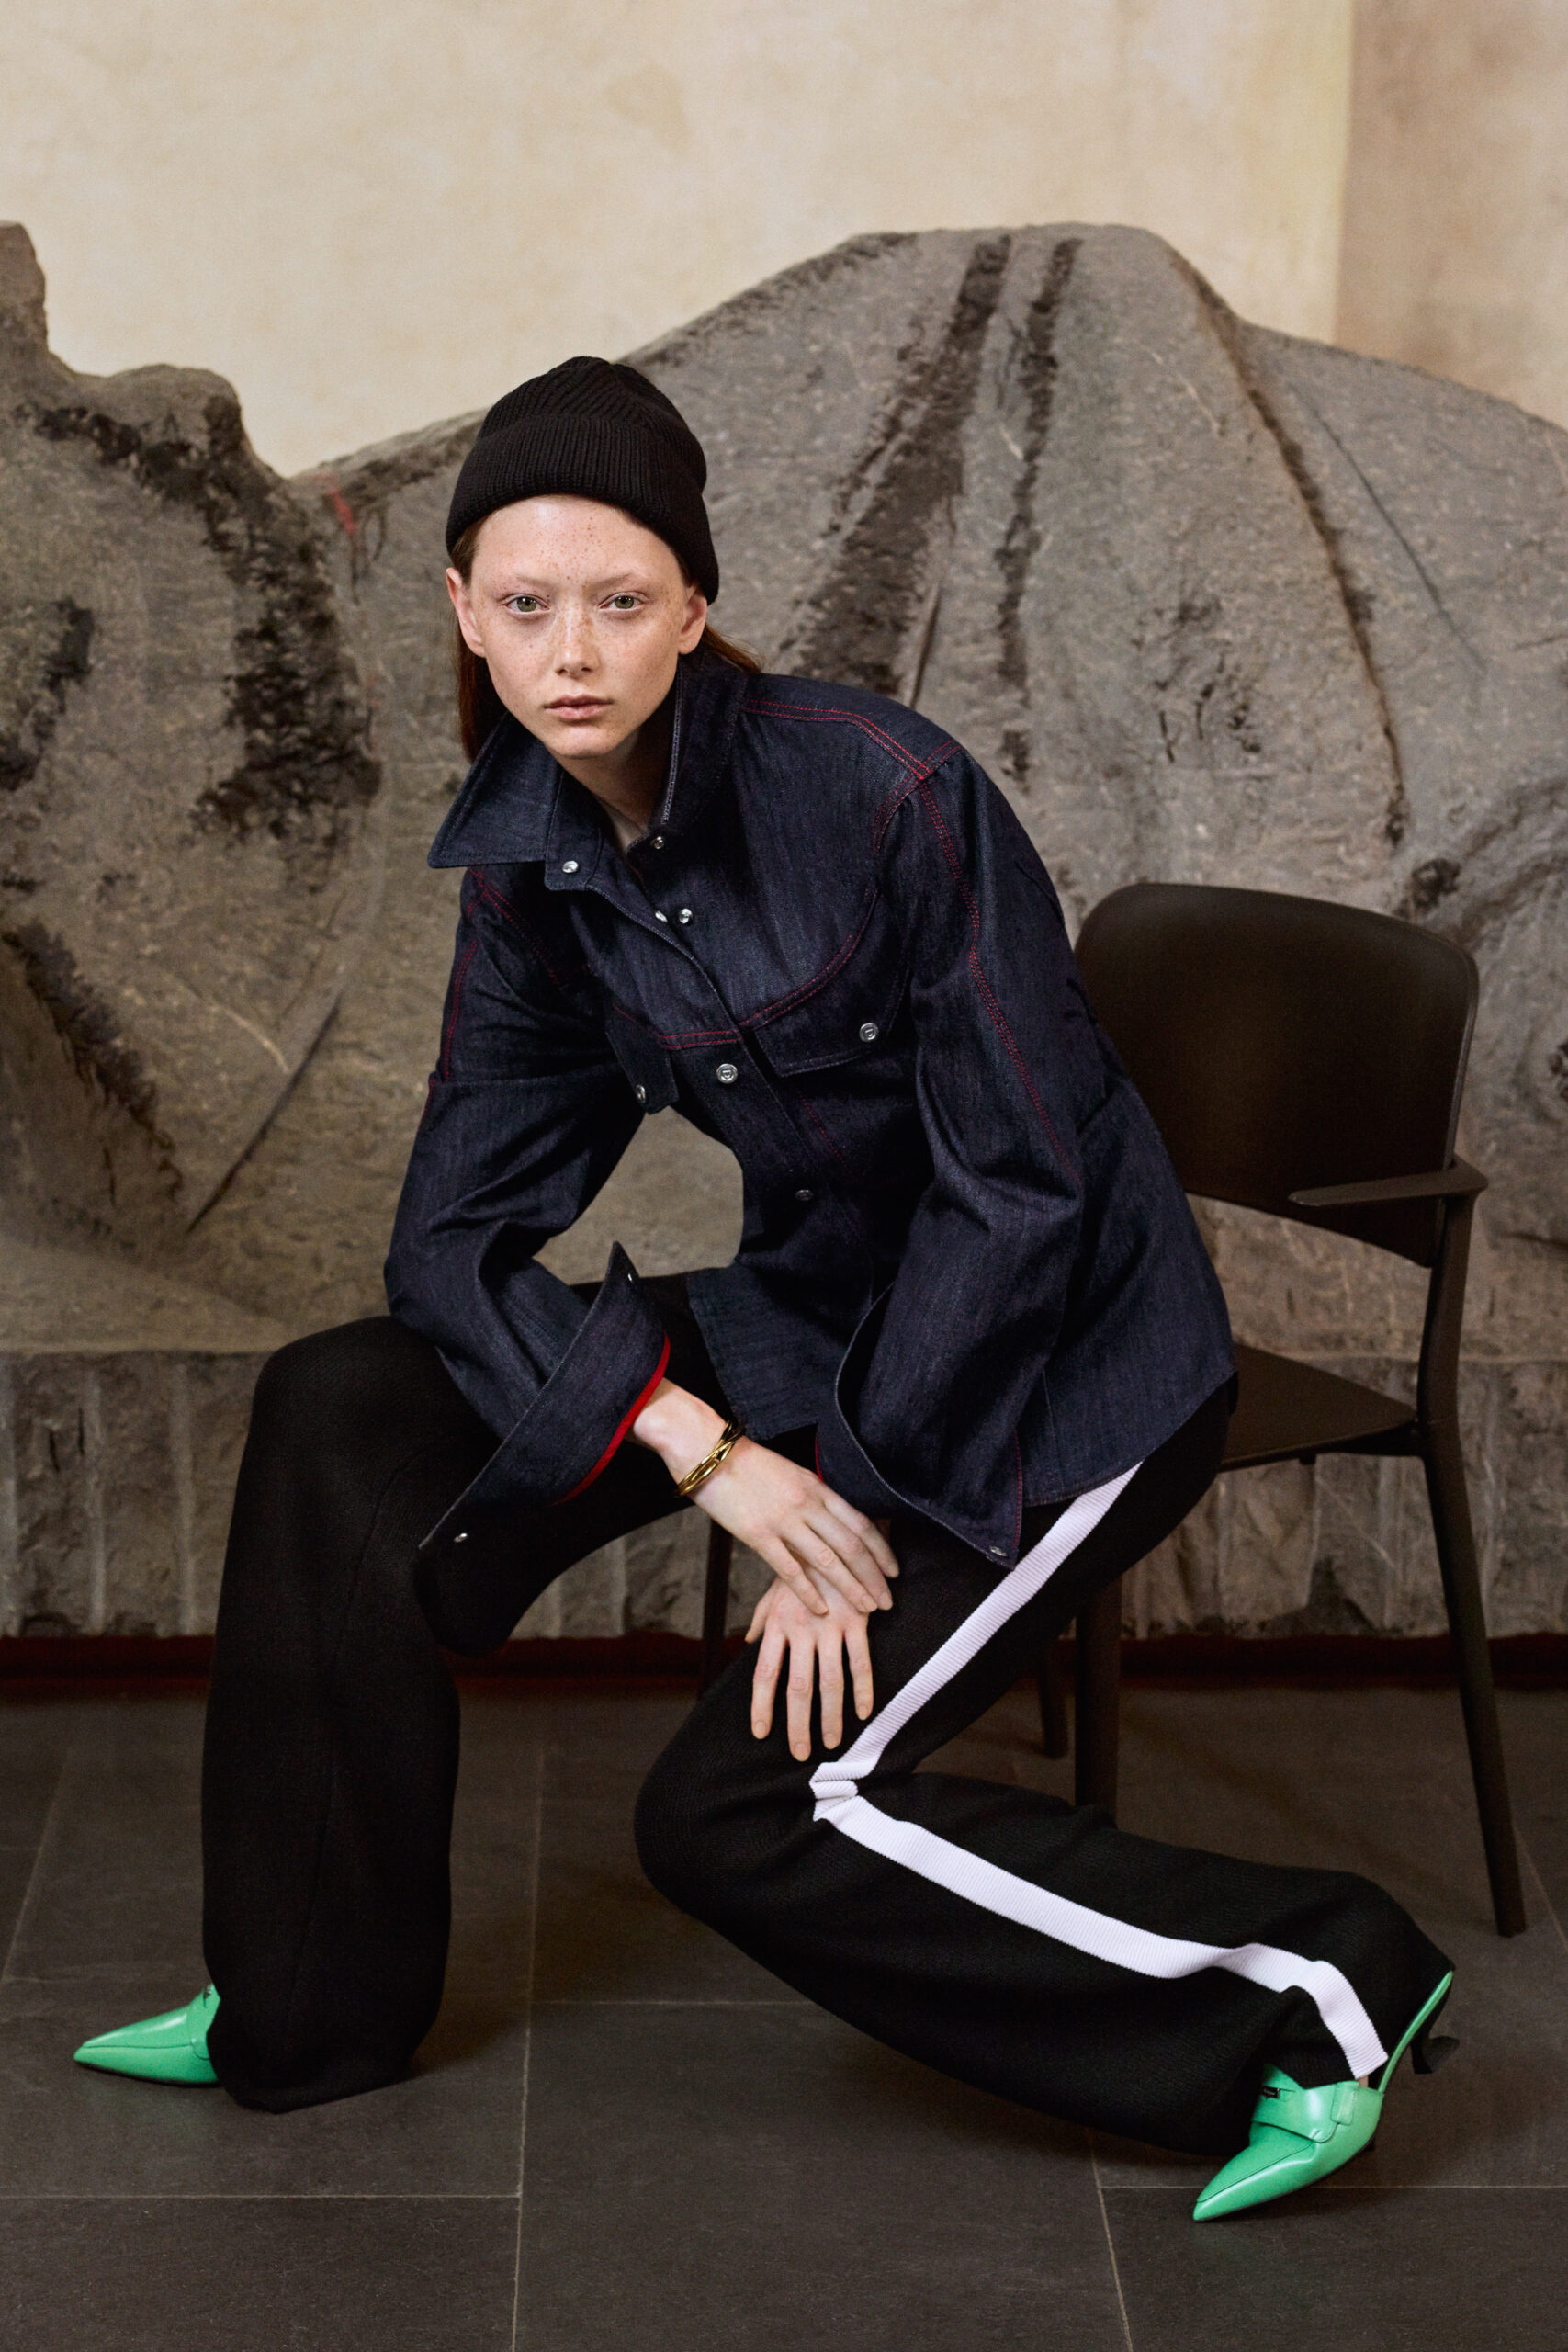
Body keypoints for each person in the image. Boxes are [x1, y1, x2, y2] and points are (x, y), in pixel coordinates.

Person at [75, 358, 1454, 2220]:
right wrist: (700, 1447)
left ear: (693, 605)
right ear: (463, 611)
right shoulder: (528, 862)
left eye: (619, 599)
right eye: (525, 604)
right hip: (821, 1320)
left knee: (741, 1806)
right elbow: (446, 1243)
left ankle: (1319, 1994)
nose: (571, 650)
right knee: (343, 1405)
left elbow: (1023, 1190)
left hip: (1063, 1364)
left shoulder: (888, 794)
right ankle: (300, 1998)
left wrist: (844, 1518)